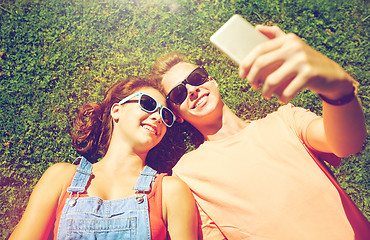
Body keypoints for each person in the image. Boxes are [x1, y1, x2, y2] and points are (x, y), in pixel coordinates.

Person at [150, 25, 370, 239]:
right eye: (178, 93)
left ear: (212, 82)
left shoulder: (287, 119)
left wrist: (336, 88)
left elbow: (348, 144)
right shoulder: (187, 174)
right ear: (176, 115)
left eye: (196, 78)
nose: (192, 90)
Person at [9, 77, 199, 239]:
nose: (158, 117)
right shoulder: (60, 178)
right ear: (117, 110)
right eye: (148, 104)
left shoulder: (170, 191)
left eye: (165, 115)